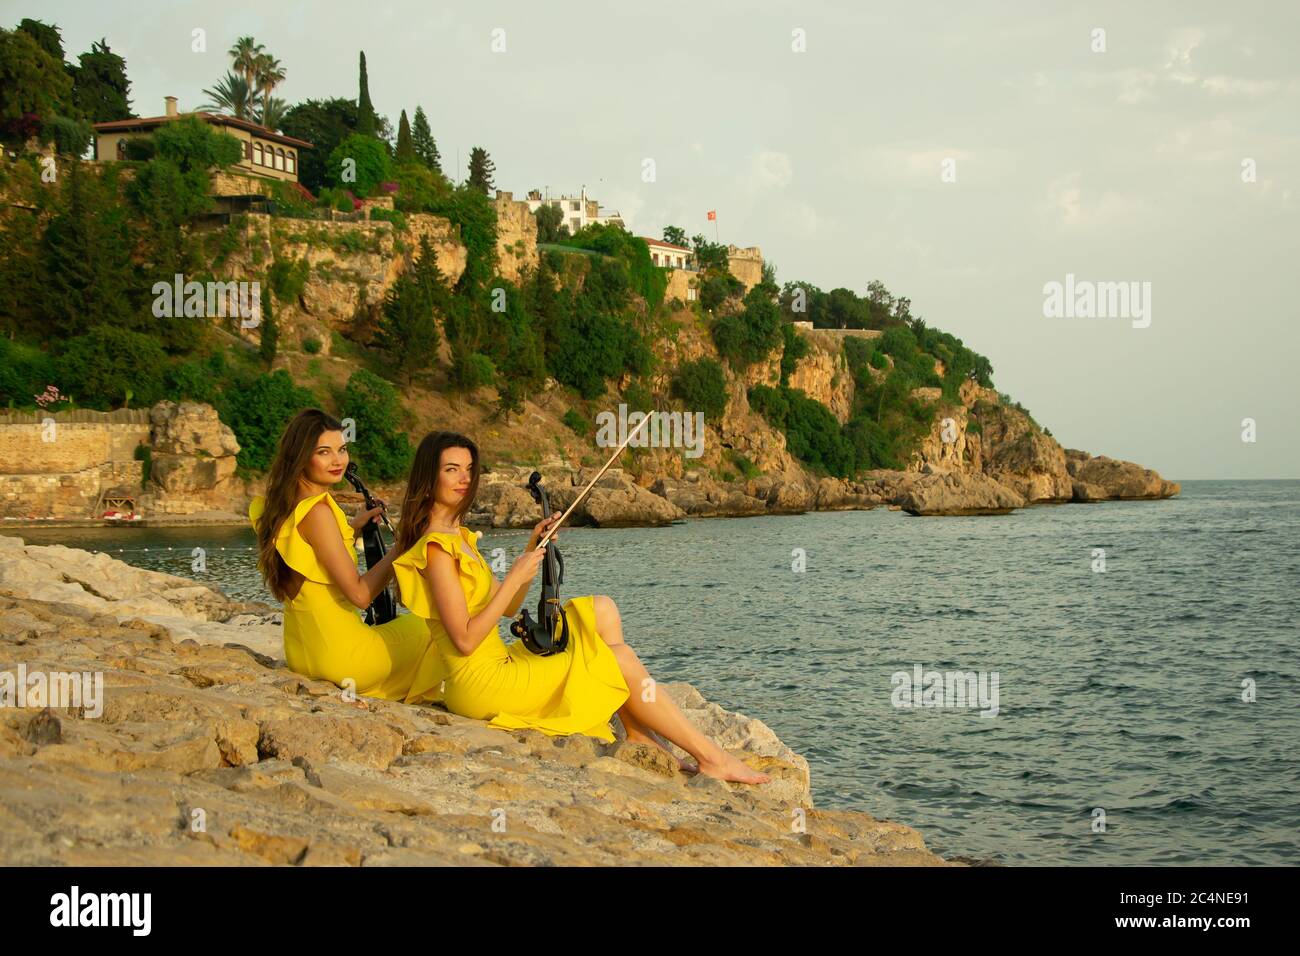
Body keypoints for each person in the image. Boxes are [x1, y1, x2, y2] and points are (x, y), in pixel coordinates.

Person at [391, 430, 770, 785]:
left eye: (469, 470)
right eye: (452, 470)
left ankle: (637, 731)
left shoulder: (458, 536)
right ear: (430, 476)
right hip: (481, 683)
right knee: (618, 659)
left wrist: (531, 550)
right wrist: (512, 578)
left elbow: (508, 611)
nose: (463, 479)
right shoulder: (437, 549)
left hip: (496, 663)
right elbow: (465, 640)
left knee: (600, 609)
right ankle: (711, 757)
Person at [249, 409, 444, 706]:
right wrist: (402, 547)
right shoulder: (319, 511)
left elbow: (312, 555)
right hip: (342, 659)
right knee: (429, 628)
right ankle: (424, 698)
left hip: (303, 653)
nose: (338, 461)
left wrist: (352, 527)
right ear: (301, 456)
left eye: (341, 449)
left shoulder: (281, 505)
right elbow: (360, 595)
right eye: (324, 452)